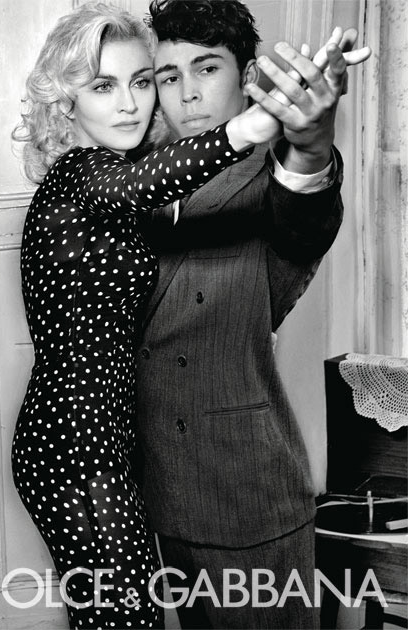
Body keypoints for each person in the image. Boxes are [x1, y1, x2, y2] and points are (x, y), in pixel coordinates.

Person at [9, 3, 317, 627]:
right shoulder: (82, 176)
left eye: (141, 82)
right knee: (128, 620)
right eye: (103, 86)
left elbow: (174, 197)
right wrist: (256, 123)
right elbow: (138, 186)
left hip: (102, 443)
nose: (129, 104)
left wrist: (302, 142)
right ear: (67, 102)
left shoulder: (115, 182)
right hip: (76, 446)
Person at [134, 1, 370, 628]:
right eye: (167, 76)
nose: (186, 93)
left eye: (206, 68)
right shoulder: (139, 180)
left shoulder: (270, 176)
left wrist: (311, 144)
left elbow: (303, 214)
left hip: (247, 497)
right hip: (161, 491)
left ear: (245, 77)